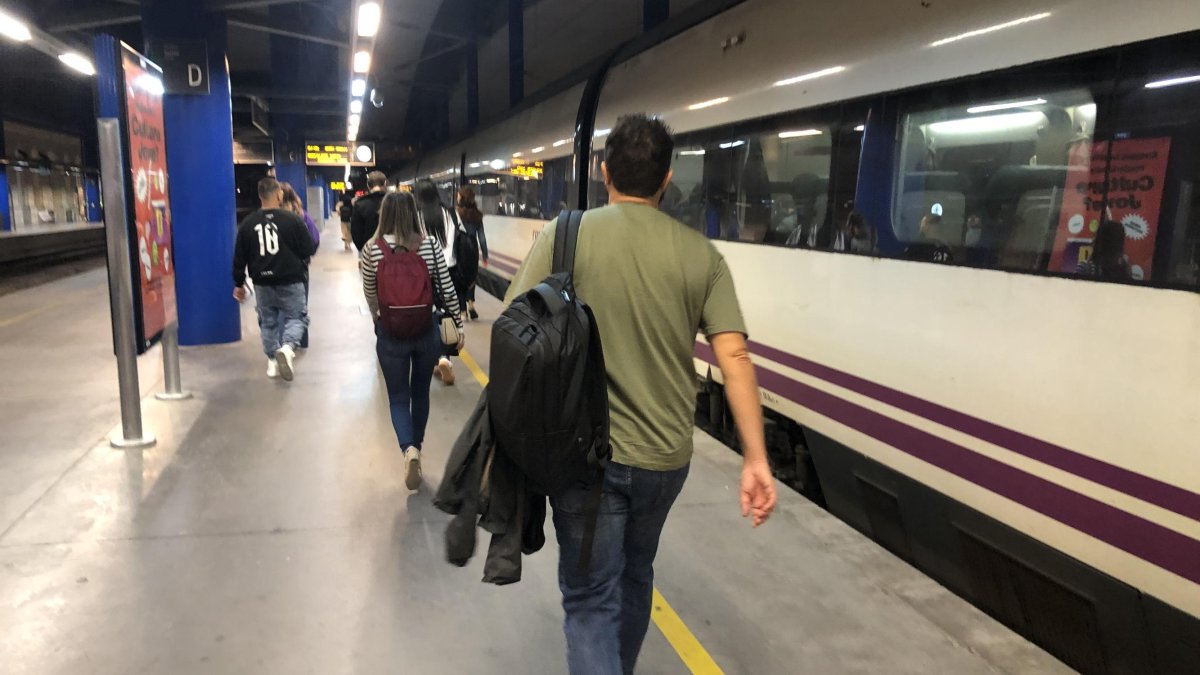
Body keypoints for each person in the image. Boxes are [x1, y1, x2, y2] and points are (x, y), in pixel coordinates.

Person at [504, 114, 778, 675]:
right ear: (667, 178)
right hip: (664, 460)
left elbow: (514, 324)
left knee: (589, 600)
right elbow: (735, 358)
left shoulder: (566, 234)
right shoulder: (702, 255)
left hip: (583, 456)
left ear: (605, 172)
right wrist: (755, 457)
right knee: (635, 574)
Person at [360, 191, 464, 489]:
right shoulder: (429, 245)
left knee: (397, 397)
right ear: (413, 214)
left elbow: (369, 290)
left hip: (391, 332)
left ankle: (409, 449)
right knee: (420, 394)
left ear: (385, 215)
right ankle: (418, 445)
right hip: (425, 330)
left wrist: (376, 316)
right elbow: (446, 286)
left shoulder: (372, 248)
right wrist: (457, 324)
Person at [232, 177, 317, 381]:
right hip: (291, 279)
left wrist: (239, 283)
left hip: (262, 282)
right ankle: (287, 349)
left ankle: (271, 361)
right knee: (297, 317)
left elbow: (239, 257)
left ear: (260, 196)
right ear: (279, 194)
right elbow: (308, 248)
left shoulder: (248, 224)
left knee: (268, 322)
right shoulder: (293, 220)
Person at [415, 181, 461, 384]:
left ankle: (435, 359)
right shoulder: (450, 213)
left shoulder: (417, 216)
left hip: (427, 273)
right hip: (451, 269)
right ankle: (445, 357)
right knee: (448, 316)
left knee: (432, 315)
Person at [281, 182, 319, 349]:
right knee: (299, 307)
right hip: (299, 268)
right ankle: (300, 341)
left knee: (278, 308)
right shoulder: (303, 216)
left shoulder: (270, 218)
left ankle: (283, 342)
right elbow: (315, 240)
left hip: (275, 268)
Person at [455, 185, 489, 320]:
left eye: (458, 195)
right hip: (473, 248)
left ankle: (463, 311)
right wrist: (485, 255)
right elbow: (482, 237)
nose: (457, 197)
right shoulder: (477, 215)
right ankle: (471, 304)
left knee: (461, 277)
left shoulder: (456, 213)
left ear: (462, 197)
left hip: (460, 247)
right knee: (472, 277)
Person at [350, 171, 388, 253]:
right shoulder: (394, 201)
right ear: (385, 183)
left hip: (368, 249)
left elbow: (355, 232)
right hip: (392, 250)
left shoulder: (360, 204)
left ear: (368, 185)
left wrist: (363, 248)